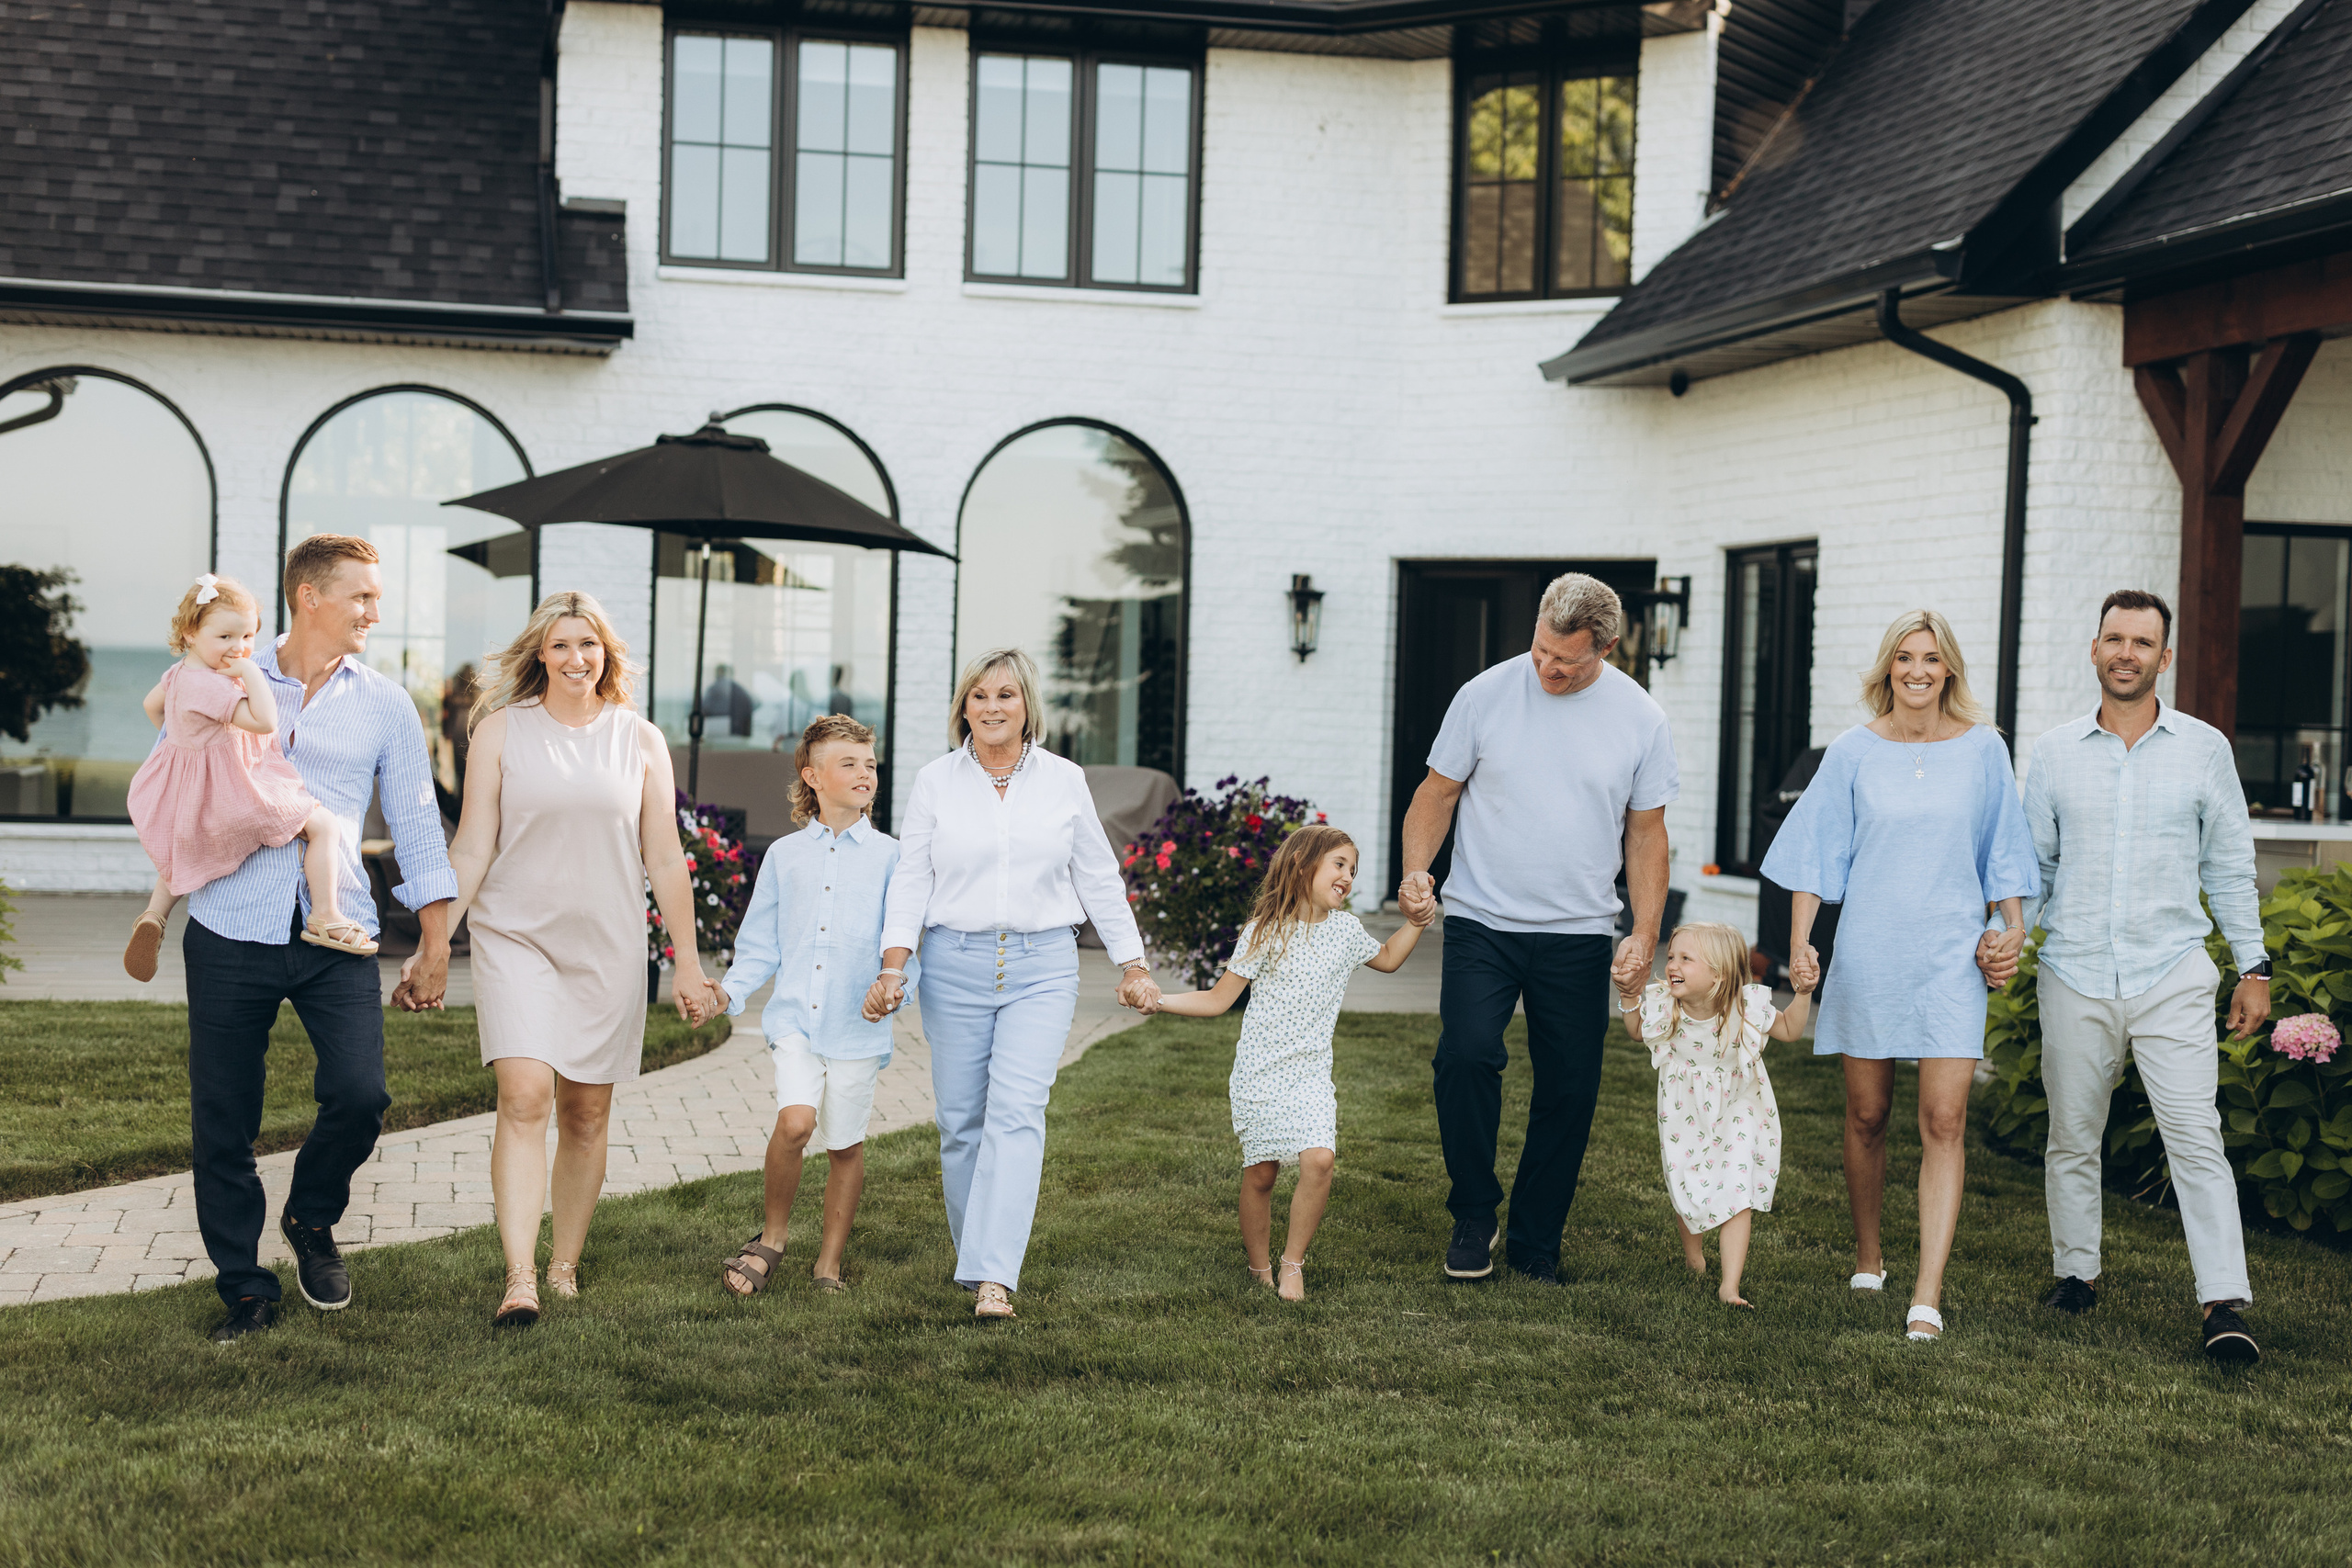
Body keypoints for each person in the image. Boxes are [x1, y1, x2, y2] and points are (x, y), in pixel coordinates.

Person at [178, 535, 458, 1345]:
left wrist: (434, 939)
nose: (376, 611)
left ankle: (310, 1215)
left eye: (377, 597)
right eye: (362, 596)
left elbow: (415, 822)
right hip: (230, 920)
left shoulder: (385, 703)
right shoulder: (220, 675)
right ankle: (246, 1288)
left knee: (362, 1093)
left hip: (338, 931)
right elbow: (176, 778)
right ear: (308, 597)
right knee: (224, 1116)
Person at [1998, 589, 2268, 1364]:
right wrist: (2006, 934)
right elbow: (2034, 869)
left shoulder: (2204, 749)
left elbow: (2229, 867)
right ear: (2094, 649)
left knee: (2196, 1139)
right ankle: (2075, 1272)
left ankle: (2223, 1302)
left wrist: (2253, 965)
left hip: (2171, 973)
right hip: (2075, 970)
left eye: (2142, 642)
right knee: (2073, 1134)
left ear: (2165, 657)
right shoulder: (2051, 752)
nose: (2126, 653)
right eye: (2114, 639)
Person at [437, 592, 718, 1328]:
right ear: (539, 654)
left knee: (587, 1112)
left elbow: (665, 854)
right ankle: (520, 1274)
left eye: (587, 644)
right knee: (525, 1093)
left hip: (610, 942)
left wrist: (685, 963)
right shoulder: (500, 732)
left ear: (607, 655)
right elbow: (471, 845)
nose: (575, 658)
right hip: (516, 936)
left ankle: (565, 1265)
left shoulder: (640, 738)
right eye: (560, 645)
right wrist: (438, 941)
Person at [1762, 609, 2038, 1343]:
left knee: (1944, 1119)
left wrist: (2011, 932)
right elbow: (1815, 855)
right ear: (1888, 668)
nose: (1918, 670)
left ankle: (1927, 1293)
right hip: (1870, 953)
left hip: (1952, 958)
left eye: (1933, 658)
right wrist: (1801, 946)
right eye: (1906, 658)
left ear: (1950, 669)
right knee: (1867, 1114)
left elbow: (2004, 856)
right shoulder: (1852, 752)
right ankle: (1868, 1254)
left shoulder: (1985, 751)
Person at [1396, 573, 1678, 1286]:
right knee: (1464, 1057)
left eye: (1567, 661)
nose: (1547, 668)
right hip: (1481, 920)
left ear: (1607, 649)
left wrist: (1645, 933)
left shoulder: (1641, 718)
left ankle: (1535, 1238)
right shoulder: (1485, 694)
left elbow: (1646, 835)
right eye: (1541, 650)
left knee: (1571, 1087)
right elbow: (1438, 791)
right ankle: (1474, 1212)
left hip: (1579, 933)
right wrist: (1415, 871)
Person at [865, 648, 1161, 1320]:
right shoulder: (936, 781)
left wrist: (1132, 962)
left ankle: (996, 1273)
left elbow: (1096, 875)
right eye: (978, 696)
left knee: (1017, 1111)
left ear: (1028, 705)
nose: (992, 707)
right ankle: (978, 1260)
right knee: (961, 1121)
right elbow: (913, 876)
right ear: (962, 707)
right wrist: (894, 961)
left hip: (1042, 964)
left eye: (1005, 694)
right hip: (954, 962)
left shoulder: (1063, 780)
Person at [1148, 824, 1433, 1301]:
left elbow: (1386, 959)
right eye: (1339, 864)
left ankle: (1292, 1263)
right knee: (1261, 1173)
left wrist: (1418, 923)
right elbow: (1218, 1001)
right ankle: (1258, 1268)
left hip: (1310, 1073)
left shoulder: (1345, 931)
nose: (1348, 876)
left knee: (1319, 1159)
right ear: (1303, 865)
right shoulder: (1265, 932)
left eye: (1353, 870)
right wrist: (1159, 1001)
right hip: (1260, 1073)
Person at [718, 714, 909, 1297]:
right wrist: (727, 992)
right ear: (813, 776)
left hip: (857, 1027)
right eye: (848, 764)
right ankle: (772, 1238)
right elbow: (759, 944)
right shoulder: (784, 856)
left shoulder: (893, 858)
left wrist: (893, 988)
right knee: (796, 1122)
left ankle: (828, 1263)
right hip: (797, 1019)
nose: (864, 774)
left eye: (870, 765)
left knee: (846, 1145)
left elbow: (905, 942)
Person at [123, 573, 377, 983]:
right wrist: (252, 673)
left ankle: (154, 915)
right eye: (225, 637)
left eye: (246, 637)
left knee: (184, 851)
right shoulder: (213, 686)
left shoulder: (176, 676)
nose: (238, 648)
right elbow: (263, 722)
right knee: (324, 826)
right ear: (190, 633)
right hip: (232, 792)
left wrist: (185, 743)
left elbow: (152, 707)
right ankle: (326, 915)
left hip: (189, 791)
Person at [1620, 922, 1812, 1308]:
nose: (1672, 963)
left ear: (1718, 974)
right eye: (1671, 955)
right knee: (1686, 1179)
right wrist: (1628, 997)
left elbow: (1790, 1029)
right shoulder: (1666, 1005)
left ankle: (1730, 1285)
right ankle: (1695, 1258)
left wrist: (1803, 992)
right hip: (1683, 1107)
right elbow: (1638, 1031)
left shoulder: (1746, 1007)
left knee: (1735, 1184)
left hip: (1739, 1104)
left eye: (1686, 958)